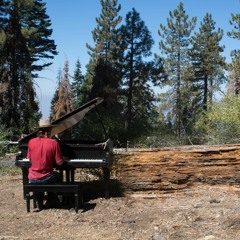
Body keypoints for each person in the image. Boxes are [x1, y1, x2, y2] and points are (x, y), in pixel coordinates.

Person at [27, 119, 63, 210]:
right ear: (50, 130)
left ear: (39, 130)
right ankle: (51, 199)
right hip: (46, 177)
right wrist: (63, 159)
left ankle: (38, 199)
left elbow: (29, 159)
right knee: (57, 176)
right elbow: (59, 162)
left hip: (32, 178)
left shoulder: (31, 142)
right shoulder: (54, 143)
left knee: (39, 177)